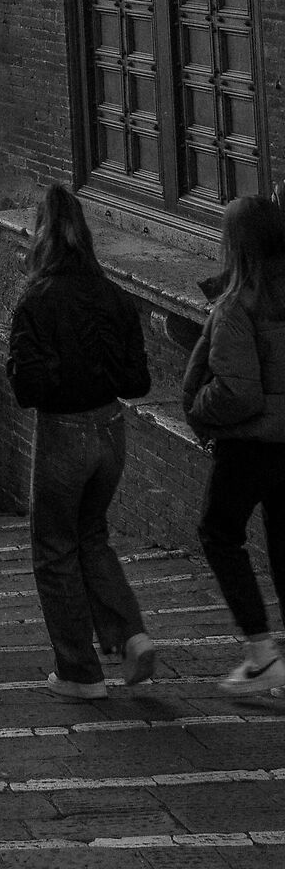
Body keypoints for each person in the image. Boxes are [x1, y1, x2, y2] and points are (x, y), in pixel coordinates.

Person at [6, 183, 154, 698]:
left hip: (64, 431)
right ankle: (131, 635)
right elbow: (139, 380)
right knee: (91, 535)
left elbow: (28, 387)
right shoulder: (113, 294)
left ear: (40, 237)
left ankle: (78, 671)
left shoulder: (37, 299)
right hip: (112, 428)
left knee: (53, 548)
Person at [183, 196, 285, 693]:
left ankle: (262, 654)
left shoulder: (238, 306)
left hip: (249, 447)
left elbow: (238, 393)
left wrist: (200, 409)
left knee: (219, 534)